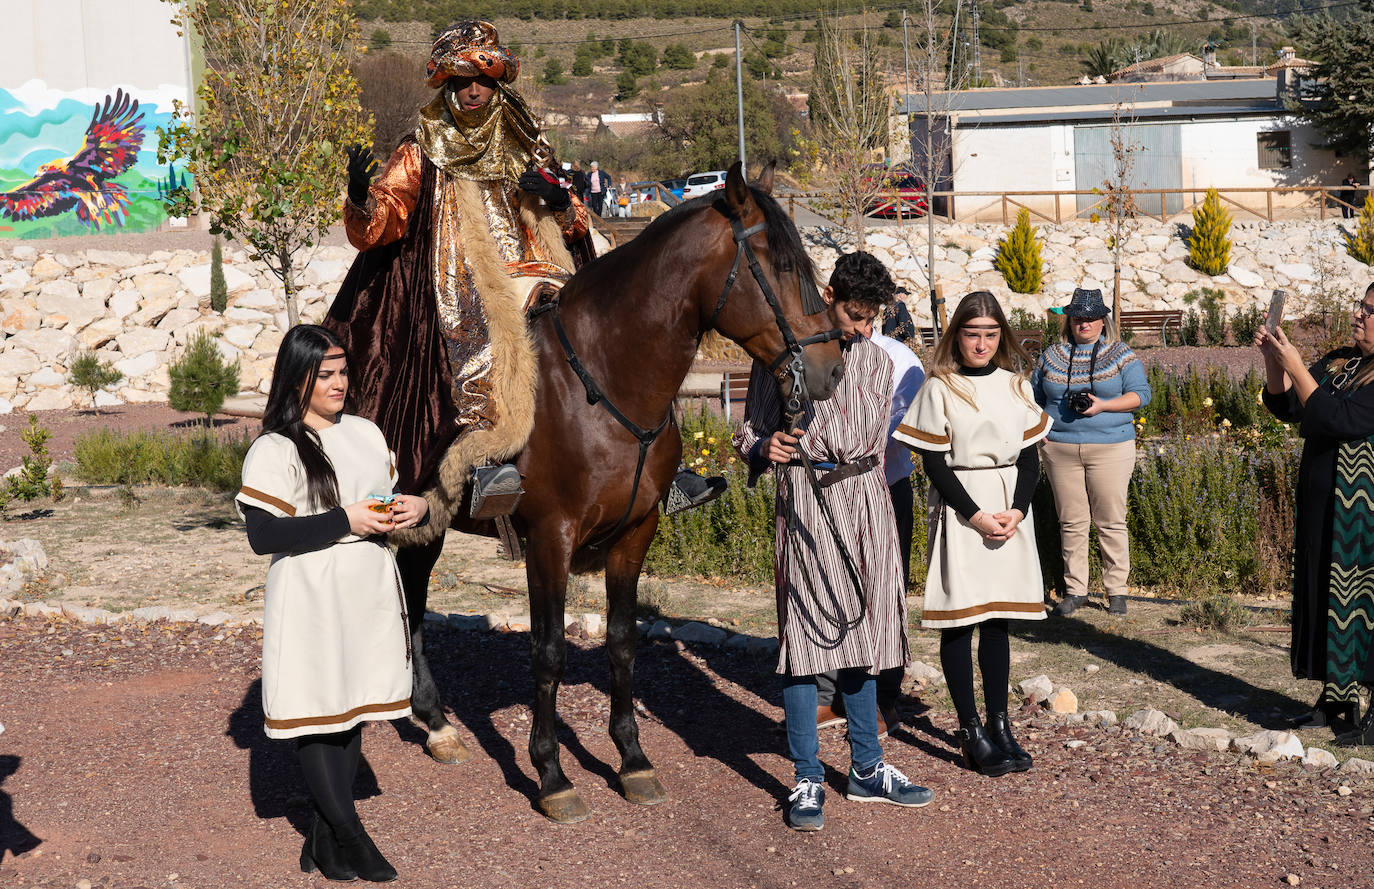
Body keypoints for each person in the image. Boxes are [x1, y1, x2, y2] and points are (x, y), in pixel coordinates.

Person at [326, 21, 717, 760]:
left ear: (497, 81)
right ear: (446, 84)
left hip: (544, 274)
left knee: (616, 343)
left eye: (484, 78)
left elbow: (573, 215)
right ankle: (487, 467)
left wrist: (562, 204)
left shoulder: (526, 136)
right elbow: (382, 225)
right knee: (496, 346)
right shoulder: (421, 148)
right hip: (465, 283)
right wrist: (358, 199)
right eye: (462, 80)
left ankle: (660, 463)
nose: (474, 90)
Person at [735, 251, 933, 832]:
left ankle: (867, 768)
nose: (863, 327)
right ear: (829, 296)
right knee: (806, 639)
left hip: (869, 498)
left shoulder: (880, 359)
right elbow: (749, 431)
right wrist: (763, 446)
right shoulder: (782, 354)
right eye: (854, 314)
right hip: (807, 497)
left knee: (865, 636)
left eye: (872, 317)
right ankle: (807, 777)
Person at [236, 325, 427, 882]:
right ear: (298, 379)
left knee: (350, 707)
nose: (339, 383)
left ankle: (322, 839)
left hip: (366, 587)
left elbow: (380, 501)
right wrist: (347, 519)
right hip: (311, 591)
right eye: (326, 375)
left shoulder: (366, 433)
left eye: (343, 372)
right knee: (319, 712)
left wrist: (411, 507)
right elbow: (264, 536)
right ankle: (351, 836)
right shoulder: (274, 448)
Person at [895, 290, 1051, 777]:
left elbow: (1029, 458)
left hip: (1009, 510)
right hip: (963, 508)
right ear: (956, 336)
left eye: (990, 334)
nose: (981, 344)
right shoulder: (939, 388)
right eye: (971, 334)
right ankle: (970, 731)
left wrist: (1018, 510)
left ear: (1001, 335)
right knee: (960, 620)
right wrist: (976, 515)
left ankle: (1000, 725)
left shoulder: (1017, 385)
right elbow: (934, 463)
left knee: (998, 620)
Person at [1258, 282, 1374, 742]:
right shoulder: (1344, 362)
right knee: (1324, 595)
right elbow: (1288, 405)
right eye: (1360, 306)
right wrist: (1275, 360)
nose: (1359, 315)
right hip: (1324, 506)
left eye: (1370, 310)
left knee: (1360, 604)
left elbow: (1338, 419)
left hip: (1361, 519)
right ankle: (1336, 699)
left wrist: (1296, 366)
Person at [815, 302, 926, 735]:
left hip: (884, 484)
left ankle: (883, 697)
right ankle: (829, 694)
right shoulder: (818, 351)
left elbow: (907, 422)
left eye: (864, 315)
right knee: (828, 585)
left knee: (885, 589)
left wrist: (850, 438)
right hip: (828, 490)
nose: (857, 326)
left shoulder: (899, 358)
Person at [1031, 287, 1151, 617]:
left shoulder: (1120, 354)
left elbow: (1141, 395)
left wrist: (1104, 406)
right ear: (1069, 321)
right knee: (1071, 521)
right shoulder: (1051, 355)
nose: (1084, 324)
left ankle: (1117, 591)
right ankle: (1076, 590)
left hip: (1111, 447)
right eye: (1077, 318)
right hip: (1060, 449)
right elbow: (1033, 398)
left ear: (1102, 321)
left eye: (1091, 318)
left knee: (1110, 520)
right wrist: (1040, 431)